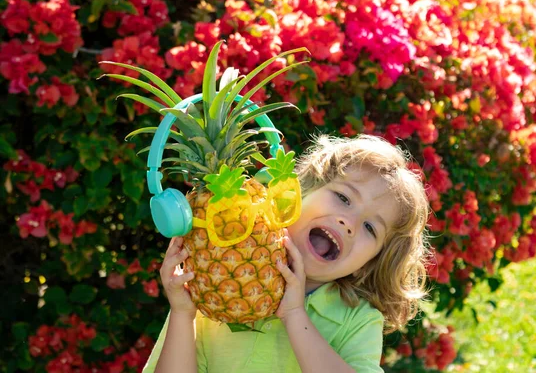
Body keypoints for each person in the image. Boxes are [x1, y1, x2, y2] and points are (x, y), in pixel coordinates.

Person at [143, 134, 430, 373]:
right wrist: (182, 315)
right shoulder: (212, 285)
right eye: (343, 198)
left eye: (370, 227)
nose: (349, 223)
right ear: (294, 195)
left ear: (369, 264)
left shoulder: (357, 319)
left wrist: (294, 314)